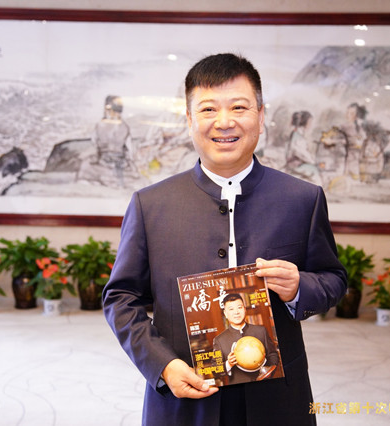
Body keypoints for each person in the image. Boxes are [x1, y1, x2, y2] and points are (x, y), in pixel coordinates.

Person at [103, 53, 347, 426]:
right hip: (184, 401)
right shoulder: (149, 205)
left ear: (261, 116)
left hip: (278, 401)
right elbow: (121, 298)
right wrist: (162, 365)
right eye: (208, 109)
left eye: (238, 107)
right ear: (189, 120)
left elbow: (333, 279)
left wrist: (299, 286)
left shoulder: (302, 199)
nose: (224, 122)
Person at [212, 293, 279, 385]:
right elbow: (214, 370)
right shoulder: (219, 340)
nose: (236, 312)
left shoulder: (261, 331)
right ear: (225, 313)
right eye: (231, 309)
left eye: (239, 307)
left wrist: (269, 371)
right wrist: (228, 364)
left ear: (244, 309)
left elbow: (273, 355)